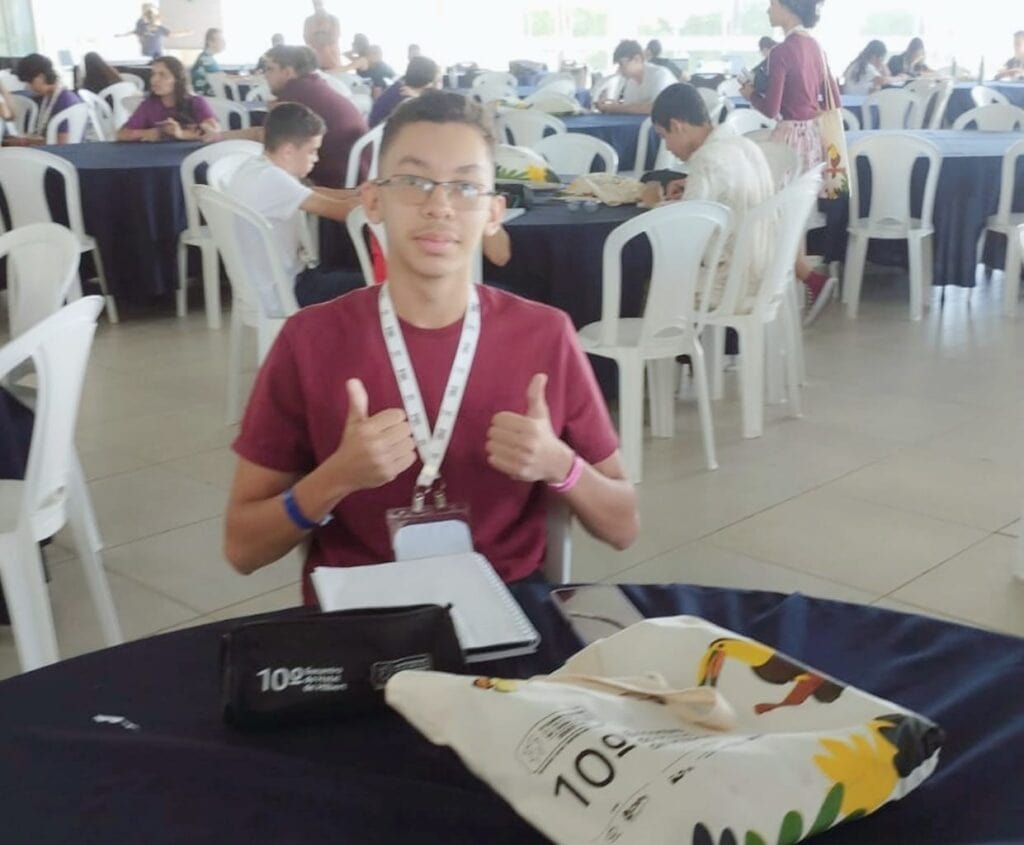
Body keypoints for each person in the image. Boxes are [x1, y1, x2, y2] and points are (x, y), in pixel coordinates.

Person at [224, 90, 638, 600]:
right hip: (359, 613)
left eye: (465, 186)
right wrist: (335, 478)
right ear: (372, 200)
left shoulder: (545, 335)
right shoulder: (309, 340)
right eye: (413, 182)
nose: (439, 206)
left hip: (507, 604)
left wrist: (561, 466)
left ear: (493, 212)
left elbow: (623, 525)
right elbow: (242, 547)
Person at [742, 0, 840, 325]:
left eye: (772, 4)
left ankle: (796, 282)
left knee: (775, 215)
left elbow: (771, 109)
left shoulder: (782, 52)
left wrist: (749, 95)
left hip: (788, 138)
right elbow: (833, 97)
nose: (768, 10)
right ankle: (807, 278)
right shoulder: (816, 47)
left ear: (787, 7)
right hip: (811, 135)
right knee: (794, 214)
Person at [640, 83, 775, 309]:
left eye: (664, 136)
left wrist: (654, 203)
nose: (668, 148)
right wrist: (690, 185)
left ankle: (660, 333)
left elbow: (686, 237)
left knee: (648, 278)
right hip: (766, 271)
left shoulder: (706, 160)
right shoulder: (743, 144)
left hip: (730, 283)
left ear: (677, 126)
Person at [223, 102, 365, 307]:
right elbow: (344, 212)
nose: (316, 158)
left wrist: (355, 193)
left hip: (266, 284)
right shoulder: (273, 180)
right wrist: (379, 199)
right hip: (287, 291)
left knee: (345, 269)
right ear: (288, 151)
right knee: (372, 284)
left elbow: (311, 193)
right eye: (312, 151)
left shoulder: (257, 167)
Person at [210, 45, 367, 188]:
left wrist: (218, 136)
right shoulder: (312, 86)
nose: (265, 75)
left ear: (288, 72)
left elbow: (267, 136)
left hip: (332, 178)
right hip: (356, 171)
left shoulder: (295, 93)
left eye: (270, 69)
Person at [116, 56, 219, 141]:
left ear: (178, 80)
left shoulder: (196, 103)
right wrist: (154, 132)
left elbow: (214, 131)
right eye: (153, 74)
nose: (154, 80)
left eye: (162, 75)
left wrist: (181, 134)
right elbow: (121, 135)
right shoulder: (149, 106)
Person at [9, 53, 83, 145]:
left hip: (59, 152)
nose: (28, 87)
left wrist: (25, 141)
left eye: (30, 82)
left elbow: (62, 143)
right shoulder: (48, 97)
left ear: (41, 77)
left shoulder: (64, 101)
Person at [596, 40, 675, 115]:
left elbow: (657, 108)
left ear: (637, 59)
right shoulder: (630, 82)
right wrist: (614, 106)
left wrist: (617, 108)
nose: (619, 69)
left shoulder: (659, 75)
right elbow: (630, 108)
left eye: (621, 64)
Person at [369, 55, 440, 128]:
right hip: (383, 132)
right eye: (435, 81)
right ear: (427, 82)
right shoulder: (406, 97)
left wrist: (418, 97)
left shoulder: (400, 86)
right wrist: (418, 99)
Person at [117, 3, 186, 59]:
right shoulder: (142, 26)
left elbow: (172, 34)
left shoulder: (160, 28)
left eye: (153, 17)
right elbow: (133, 32)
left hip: (156, 53)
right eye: (150, 17)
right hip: (147, 53)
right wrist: (122, 35)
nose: (152, 19)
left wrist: (185, 33)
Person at [304, 0, 341, 70]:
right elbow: (307, 39)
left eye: (319, 2)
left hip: (332, 60)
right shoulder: (308, 21)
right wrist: (321, 38)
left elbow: (334, 38)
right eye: (315, 2)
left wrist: (317, 38)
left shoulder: (333, 19)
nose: (317, 4)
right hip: (314, 60)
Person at [191, 28, 226, 96]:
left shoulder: (205, 56)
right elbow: (221, 78)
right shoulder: (206, 59)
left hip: (206, 97)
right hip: (209, 98)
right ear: (210, 42)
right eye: (220, 40)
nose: (224, 43)